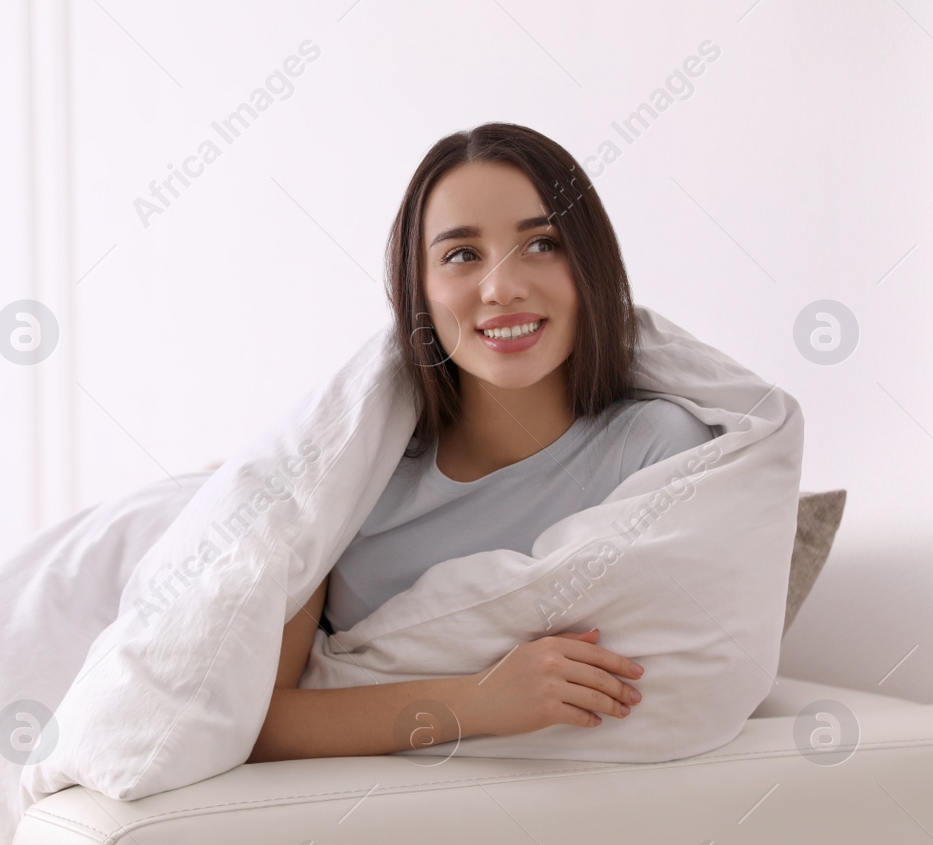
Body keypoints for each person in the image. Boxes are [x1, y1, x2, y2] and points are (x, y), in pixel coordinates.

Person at [248, 123, 717, 763]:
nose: (501, 287)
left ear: (590, 266)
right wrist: (479, 703)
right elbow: (260, 723)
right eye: (462, 255)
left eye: (542, 243)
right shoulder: (354, 471)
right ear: (419, 292)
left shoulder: (657, 450)